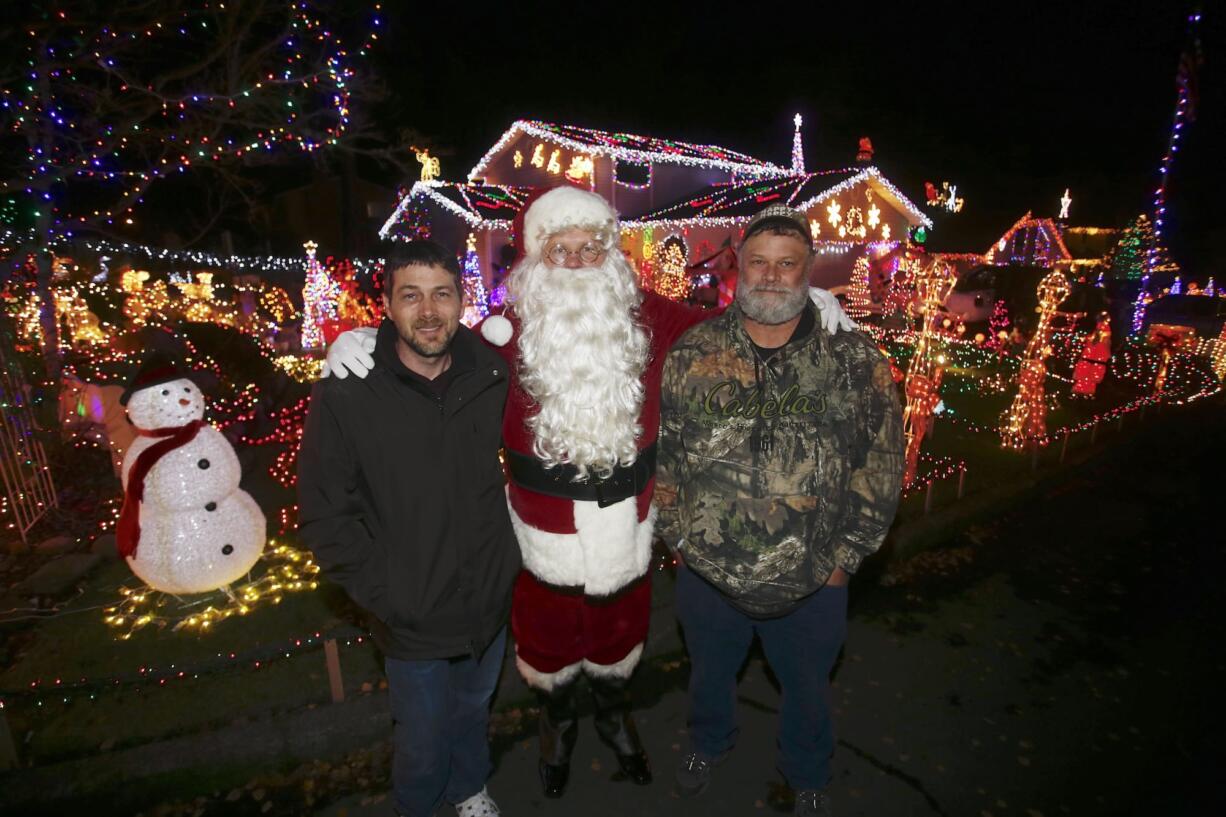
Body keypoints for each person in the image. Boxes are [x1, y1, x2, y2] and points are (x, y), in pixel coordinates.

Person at [324, 186, 854, 799]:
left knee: (618, 635)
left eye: (589, 248)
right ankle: (556, 723)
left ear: (611, 253)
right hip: (537, 533)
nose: (576, 262)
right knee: (546, 645)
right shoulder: (502, 332)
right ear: (536, 259)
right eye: (560, 250)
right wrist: (365, 342)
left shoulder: (648, 316)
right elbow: (429, 344)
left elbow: (731, 325)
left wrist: (804, 304)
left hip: (626, 526)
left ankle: (614, 714)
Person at [656, 204, 905, 817]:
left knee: (808, 693)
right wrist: (677, 539)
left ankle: (807, 771)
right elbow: (670, 452)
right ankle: (708, 744)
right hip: (710, 571)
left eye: (786, 264)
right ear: (738, 266)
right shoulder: (696, 351)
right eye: (758, 262)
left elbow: (881, 464)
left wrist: (846, 557)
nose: (770, 276)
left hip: (812, 576)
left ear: (808, 270)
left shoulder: (853, 362)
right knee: (709, 679)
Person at [298, 239, 520, 817]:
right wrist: (385, 593)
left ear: (461, 300)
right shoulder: (349, 390)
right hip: (412, 611)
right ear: (389, 306)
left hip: (489, 601)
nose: (428, 311)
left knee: (473, 713)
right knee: (420, 740)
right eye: (411, 296)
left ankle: (470, 789)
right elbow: (325, 511)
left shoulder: (492, 374)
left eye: (442, 294)